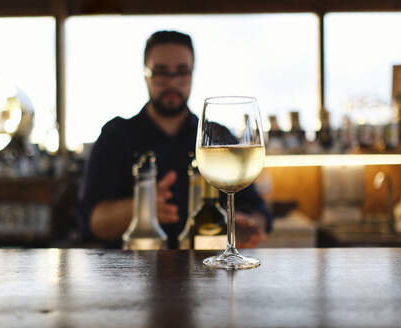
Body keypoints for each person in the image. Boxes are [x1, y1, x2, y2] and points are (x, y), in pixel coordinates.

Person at [79, 30, 272, 249]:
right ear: (146, 75)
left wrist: (250, 224)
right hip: (134, 273)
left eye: (182, 72)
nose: (172, 82)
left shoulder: (216, 138)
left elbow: (259, 212)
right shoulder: (115, 136)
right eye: (161, 73)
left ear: (192, 74)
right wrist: (142, 207)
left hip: (205, 273)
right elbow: (89, 222)